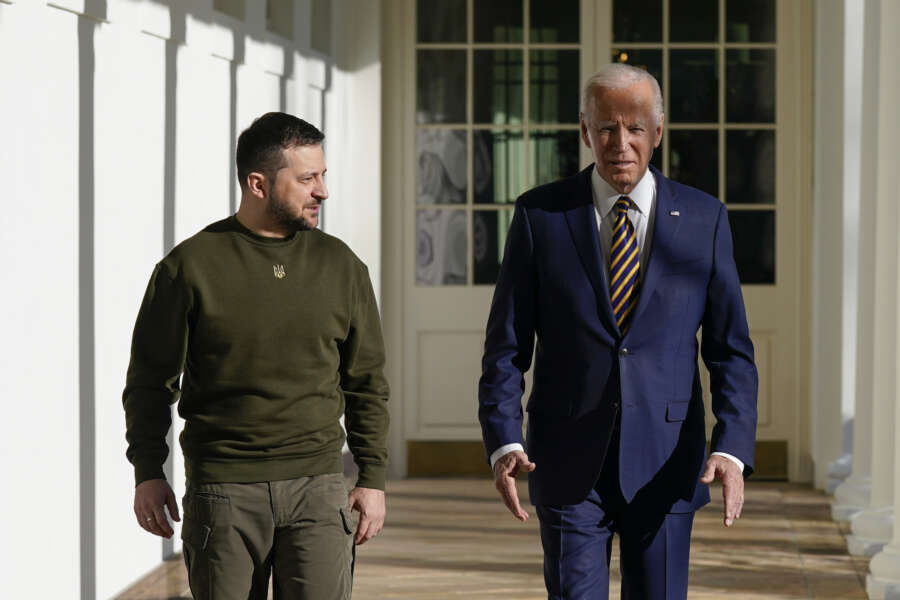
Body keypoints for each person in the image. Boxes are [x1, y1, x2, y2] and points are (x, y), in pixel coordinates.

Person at [478, 64, 757, 599]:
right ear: (585, 131)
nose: (620, 143)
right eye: (606, 127)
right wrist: (504, 438)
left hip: (668, 462)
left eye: (634, 128)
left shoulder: (704, 219)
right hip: (565, 461)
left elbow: (731, 350)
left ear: (657, 133)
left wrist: (732, 446)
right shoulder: (541, 215)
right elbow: (507, 345)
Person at [122, 112, 389, 600]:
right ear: (258, 183)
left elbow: (366, 380)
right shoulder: (189, 267)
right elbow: (149, 381)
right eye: (307, 178)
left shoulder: (342, 266)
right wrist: (148, 470)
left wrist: (371, 476)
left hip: (319, 488)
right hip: (223, 493)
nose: (322, 191)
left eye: (323, 175)